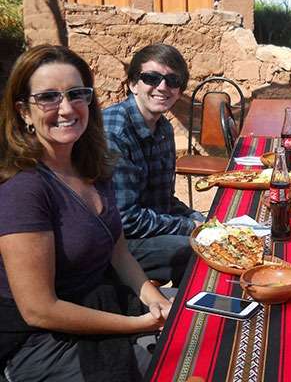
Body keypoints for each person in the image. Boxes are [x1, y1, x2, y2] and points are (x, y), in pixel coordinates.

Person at [0, 45, 172, 381]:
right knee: (166, 367)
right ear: (23, 111)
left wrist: (154, 298)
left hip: (101, 302)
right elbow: (39, 310)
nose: (66, 108)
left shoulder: (92, 164)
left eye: (76, 94)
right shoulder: (24, 189)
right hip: (39, 341)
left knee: (196, 319)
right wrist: (136, 325)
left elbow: (118, 251)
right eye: (48, 97)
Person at [103, 44, 204, 286]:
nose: (162, 87)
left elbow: (162, 200)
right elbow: (126, 219)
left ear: (179, 90)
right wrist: (190, 226)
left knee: (210, 232)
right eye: (151, 78)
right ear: (133, 84)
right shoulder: (115, 133)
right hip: (113, 243)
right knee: (197, 249)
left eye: (172, 80)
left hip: (141, 231)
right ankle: (188, 318)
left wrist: (198, 219)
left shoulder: (163, 128)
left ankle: (185, 302)